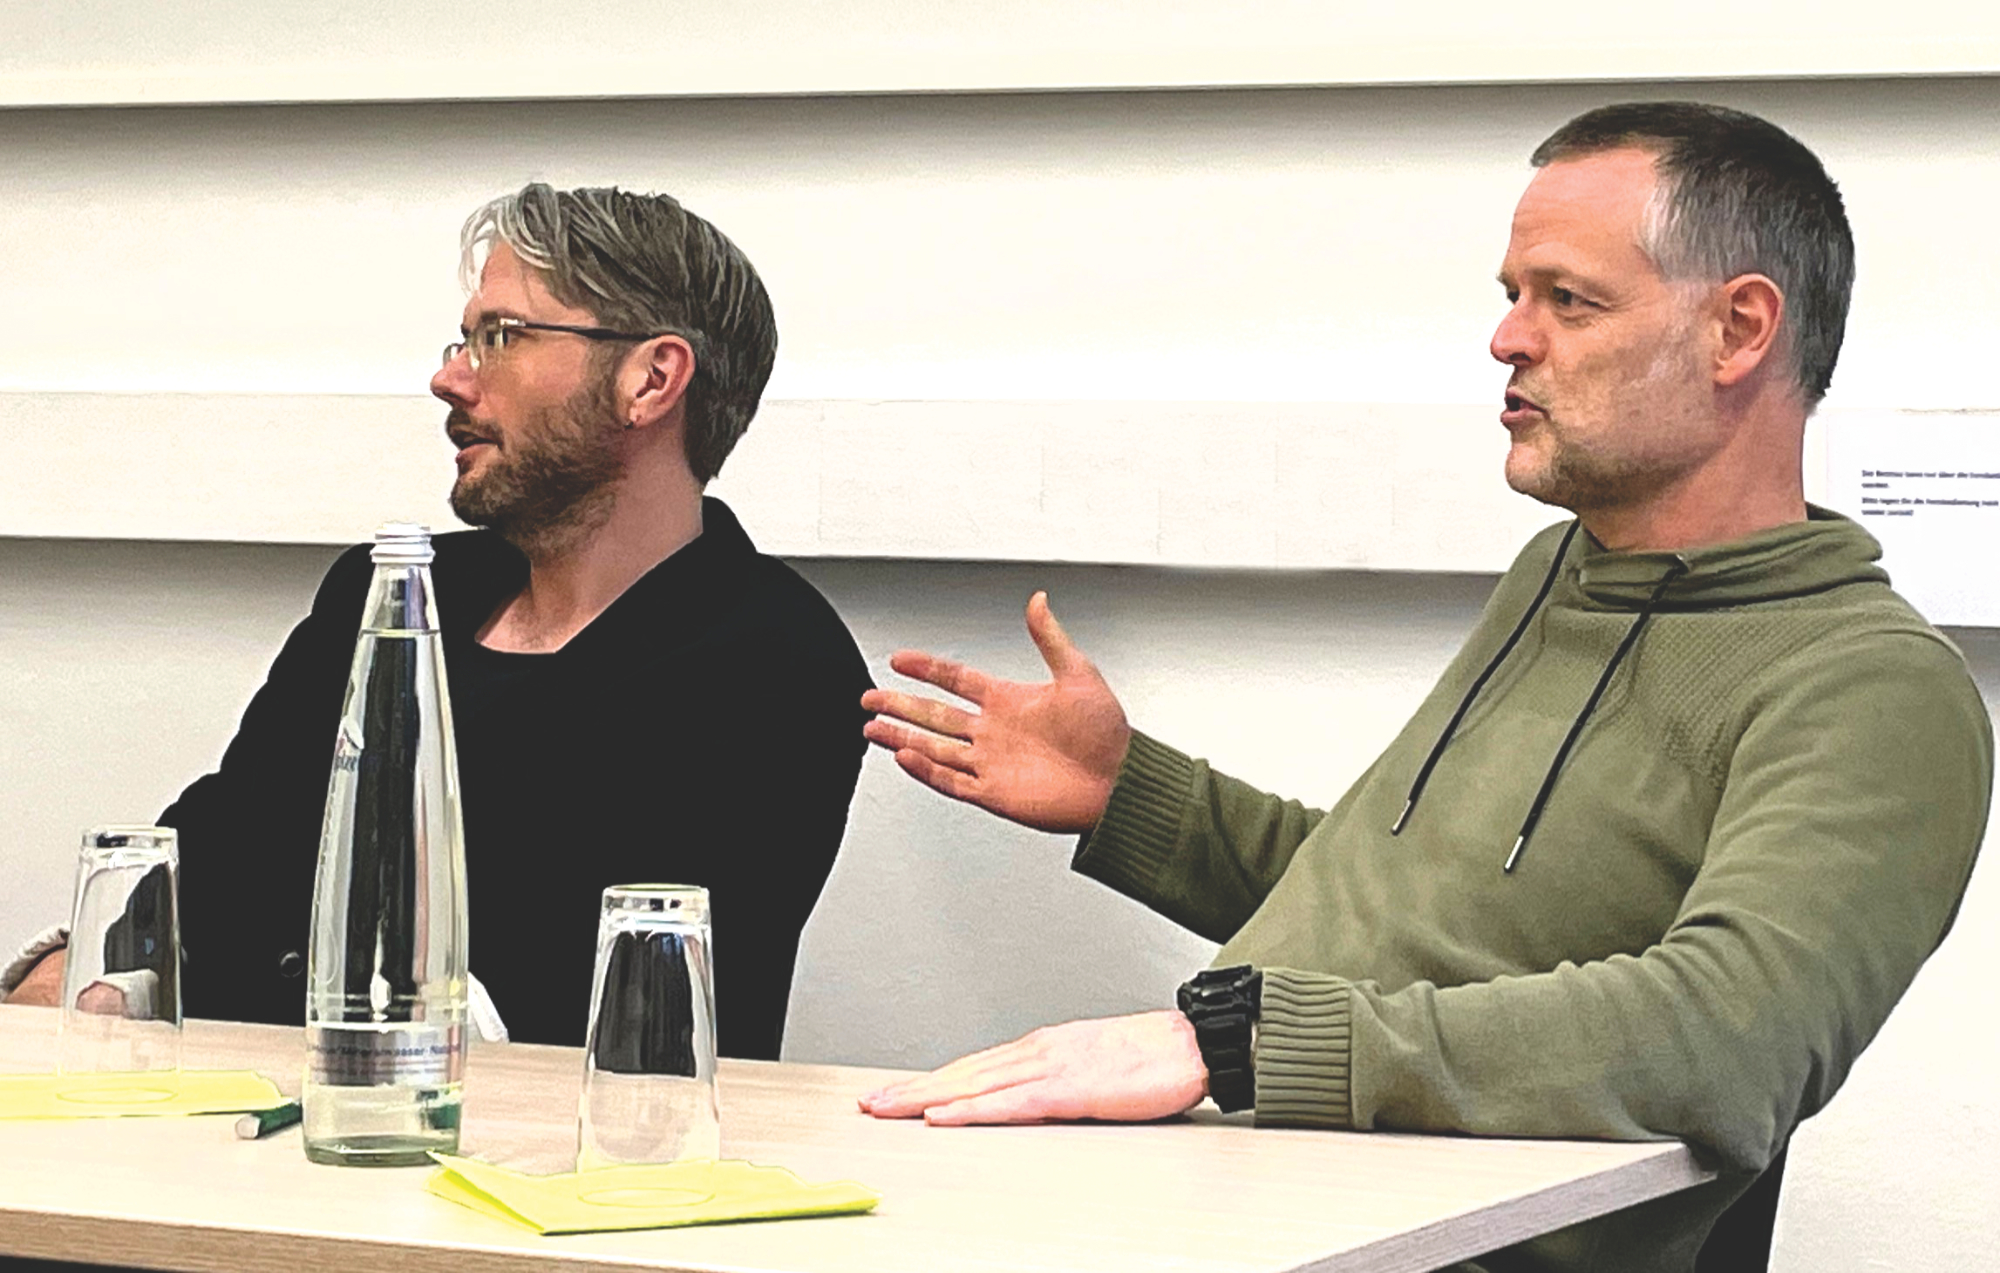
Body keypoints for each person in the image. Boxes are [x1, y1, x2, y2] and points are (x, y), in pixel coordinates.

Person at [853, 103, 1992, 1271]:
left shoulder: (1870, 688)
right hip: (1244, 1207)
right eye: (1510, 294)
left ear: (1736, 329)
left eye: (1567, 300)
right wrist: (1128, 795)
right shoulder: (1554, 574)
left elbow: (1723, 1038)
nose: (1506, 338)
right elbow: (1410, 922)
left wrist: (1235, 1043)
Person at [4, 184, 873, 1062]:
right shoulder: (387, 595)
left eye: (502, 336)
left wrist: (164, 986)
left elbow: (559, 1012)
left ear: (650, 380)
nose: (450, 377)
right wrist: (98, 972)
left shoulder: (777, 663)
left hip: (545, 1146)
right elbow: (205, 876)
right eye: (464, 340)